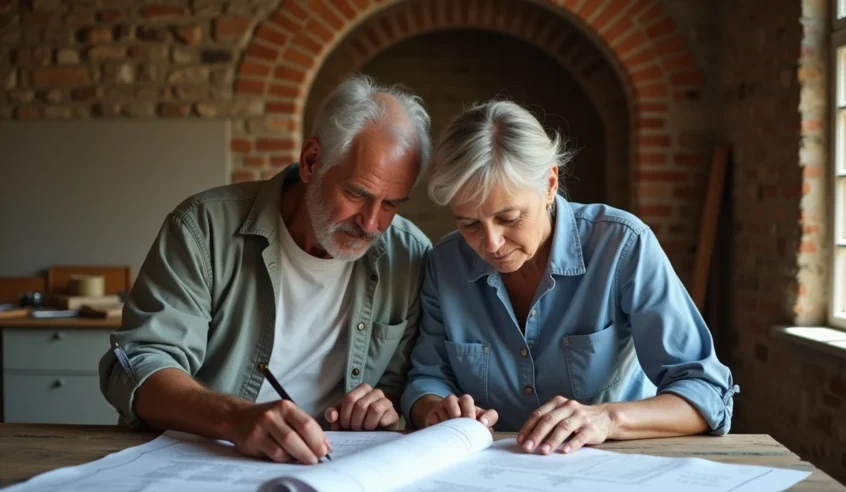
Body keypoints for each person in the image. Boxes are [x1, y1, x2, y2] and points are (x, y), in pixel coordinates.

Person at [100, 75, 433, 465]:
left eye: (391, 204)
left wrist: (381, 408)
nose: (372, 223)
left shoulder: (410, 257)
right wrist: (233, 418)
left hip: (336, 468)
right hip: (205, 457)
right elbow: (138, 364)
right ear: (311, 161)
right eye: (357, 194)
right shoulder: (203, 228)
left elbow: (399, 385)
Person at [402, 100, 738, 455]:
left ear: (550, 184)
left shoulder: (622, 246)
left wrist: (607, 419)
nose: (491, 243)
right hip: (490, 469)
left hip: (614, 466)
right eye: (469, 224)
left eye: (509, 218)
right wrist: (436, 409)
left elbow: (706, 392)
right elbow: (427, 379)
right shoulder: (446, 263)